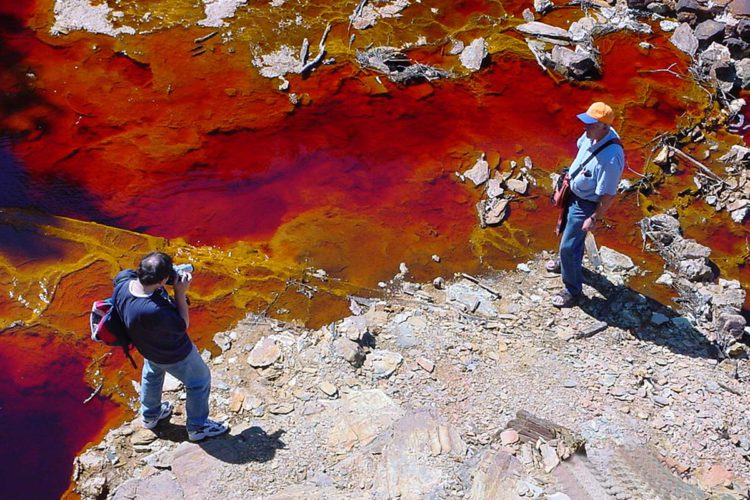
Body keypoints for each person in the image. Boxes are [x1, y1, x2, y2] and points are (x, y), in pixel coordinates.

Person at [112, 252, 229, 441]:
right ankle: (197, 428)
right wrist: (180, 292)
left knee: (152, 374)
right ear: (162, 280)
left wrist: (166, 279)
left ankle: (150, 416)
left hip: (147, 347)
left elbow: (137, 281)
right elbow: (182, 325)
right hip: (174, 353)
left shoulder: (123, 285)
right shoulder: (154, 309)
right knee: (199, 381)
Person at [548, 102, 625, 308]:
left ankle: (572, 291)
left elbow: (608, 195)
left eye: (591, 124)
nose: (585, 127)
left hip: (585, 203)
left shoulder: (611, 159)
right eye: (586, 122)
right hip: (573, 192)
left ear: (605, 127)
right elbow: (581, 149)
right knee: (567, 234)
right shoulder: (593, 134)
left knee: (568, 245)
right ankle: (567, 264)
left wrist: (594, 218)